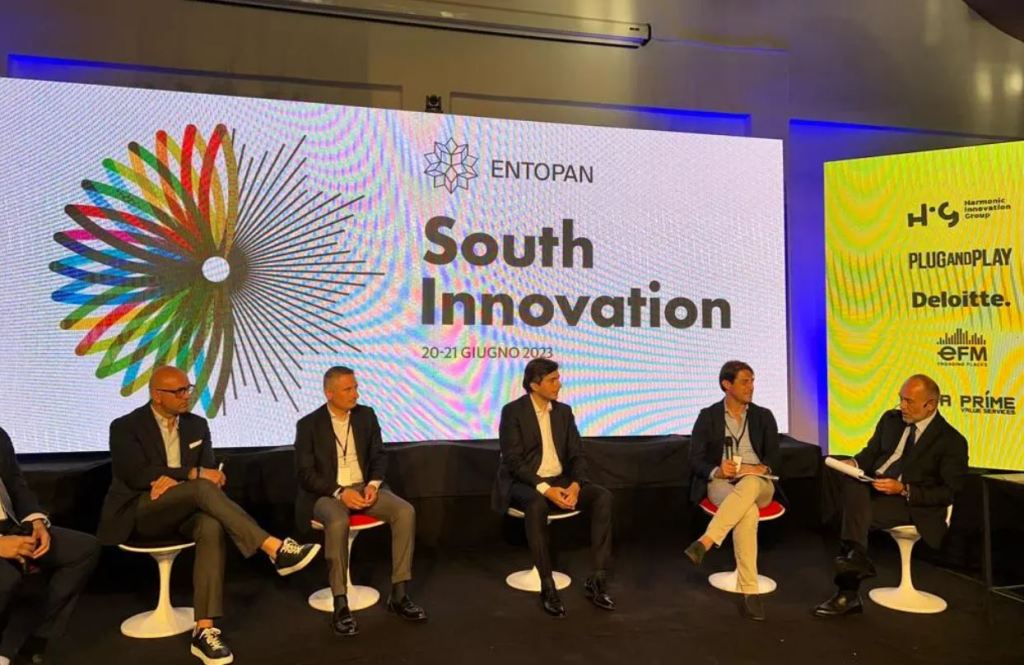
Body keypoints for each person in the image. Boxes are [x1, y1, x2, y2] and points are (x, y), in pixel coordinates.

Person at [97, 366, 321, 665]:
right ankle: (274, 548)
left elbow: (210, 473)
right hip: (140, 510)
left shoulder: (197, 425)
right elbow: (136, 474)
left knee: (211, 524)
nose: (186, 396)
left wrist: (183, 480)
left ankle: (204, 630)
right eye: (178, 391)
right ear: (157, 395)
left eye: (187, 389)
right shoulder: (126, 426)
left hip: (185, 508)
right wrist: (190, 475)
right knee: (200, 487)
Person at [813, 373, 968, 617]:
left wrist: (903, 488)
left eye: (909, 401)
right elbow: (869, 455)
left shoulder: (951, 441)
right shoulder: (890, 420)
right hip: (874, 488)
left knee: (853, 514)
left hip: (911, 503)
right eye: (901, 399)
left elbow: (948, 492)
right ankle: (856, 560)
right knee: (847, 480)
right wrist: (852, 464)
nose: (902, 406)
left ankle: (849, 589)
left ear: (930, 405)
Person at [293, 366, 426, 636]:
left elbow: (379, 455)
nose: (355, 394)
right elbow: (305, 474)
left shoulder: (366, 415)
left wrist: (374, 485)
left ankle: (399, 594)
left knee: (405, 511)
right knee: (338, 520)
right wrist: (339, 492)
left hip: (365, 487)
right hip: (327, 493)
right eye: (348, 389)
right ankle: (340, 602)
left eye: (355, 387)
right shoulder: (308, 425)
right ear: (329, 393)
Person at [492, 358, 614, 617]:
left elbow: (577, 455)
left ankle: (597, 579)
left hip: (560, 480)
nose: (559, 384)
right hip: (523, 482)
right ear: (534, 385)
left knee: (602, 497)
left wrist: (576, 485)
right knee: (536, 504)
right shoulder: (512, 412)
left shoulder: (564, 412)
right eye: (552, 380)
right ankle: (547, 586)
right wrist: (545, 489)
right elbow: (513, 462)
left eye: (558, 379)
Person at [683, 360, 781, 621]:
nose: (751, 387)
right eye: (745, 381)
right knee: (747, 511)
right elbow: (695, 459)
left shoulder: (764, 416)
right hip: (723, 482)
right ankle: (750, 591)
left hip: (759, 483)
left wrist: (759, 467)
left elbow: (776, 456)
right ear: (727, 384)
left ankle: (706, 541)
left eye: (752, 381)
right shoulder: (708, 416)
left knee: (750, 483)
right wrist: (717, 470)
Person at [0, 427, 99, 665]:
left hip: (10, 526)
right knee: (7, 577)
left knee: (83, 550)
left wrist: (35, 520)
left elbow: (16, 484)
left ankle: (21, 640)